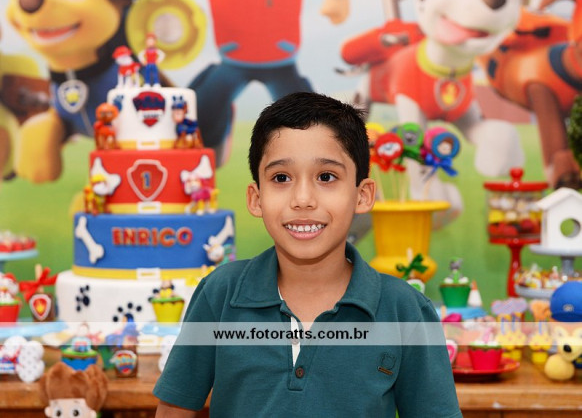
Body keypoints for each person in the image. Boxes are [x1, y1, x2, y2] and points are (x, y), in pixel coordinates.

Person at [153, 92, 462, 417]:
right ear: (256, 198)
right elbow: (174, 411)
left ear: (363, 195)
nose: (302, 199)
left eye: (326, 177)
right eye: (281, 178)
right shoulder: (220, 294)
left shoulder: (405, 311)